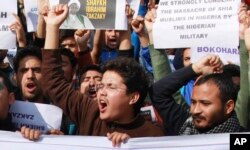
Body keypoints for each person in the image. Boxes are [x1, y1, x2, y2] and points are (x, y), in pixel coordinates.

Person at [41, 3, 164, 146]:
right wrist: (52, 27)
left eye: (111, 87)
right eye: (102, 86)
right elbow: (53, 83)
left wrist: (129, 145)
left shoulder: (152, 135)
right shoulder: (89, 112)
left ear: (133, 97)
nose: (101, 93)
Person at [152, 54, 244, 135]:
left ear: (228, 106)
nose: (195, 111)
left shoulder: (240, 138)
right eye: (193, 102)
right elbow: (157, 92)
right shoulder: (185, 126)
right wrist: (195, 69)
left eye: (205, 103)